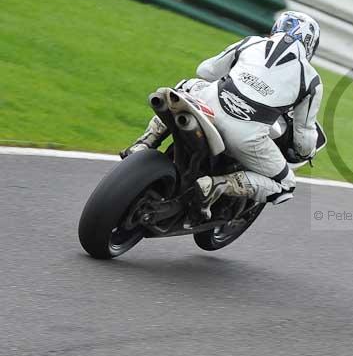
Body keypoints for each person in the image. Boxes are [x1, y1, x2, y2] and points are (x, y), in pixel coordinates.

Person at [122, 11, 323, 218]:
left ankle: (144, 142)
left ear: (277, 27)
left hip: (209, 107)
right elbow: (304, 133)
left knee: (187, 85)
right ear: (310, 46)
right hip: (245, 137)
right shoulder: (312, 80)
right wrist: (305, 153)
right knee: (285, 184)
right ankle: (218, 185)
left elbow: (206, 71)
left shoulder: (251, 43)